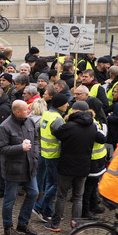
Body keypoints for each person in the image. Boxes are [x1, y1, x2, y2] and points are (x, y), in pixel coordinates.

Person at [44, 101, 106, 231]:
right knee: (78, 196)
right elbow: (101, 138)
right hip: (84, 166)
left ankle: (55, 224)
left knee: (62, 195)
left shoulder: (69, 126)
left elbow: (57, 133)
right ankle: (75, 225)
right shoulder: (92, 126)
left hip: (67, 165)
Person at [0, 100, 39, 235]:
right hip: (13, 169)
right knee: (10, 198)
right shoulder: (5, 127)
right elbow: (2, 149)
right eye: (26, 109)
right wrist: (20, 148)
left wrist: (35, 155)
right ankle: (8, 226)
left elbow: (36, 140)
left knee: (33, 193)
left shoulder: (29, 121)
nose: (29, 111)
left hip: (29, 166)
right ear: (17, 112)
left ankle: (23, 223)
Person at [33, 93, 69, 223]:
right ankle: (39, 207)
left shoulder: (47, 114)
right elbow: (63, 137)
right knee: (54, 184)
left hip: (45, 153)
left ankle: (47, 211)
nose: (68, 105)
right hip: (54, 155)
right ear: (60, 105)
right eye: (66, 103)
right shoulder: (58, 119)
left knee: (49, 183)